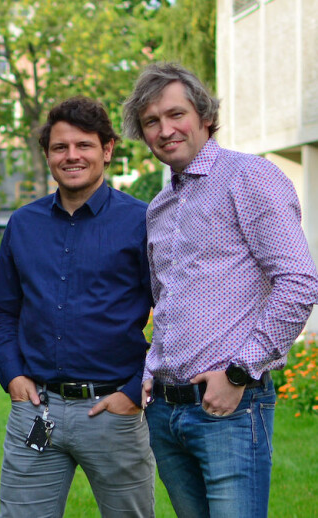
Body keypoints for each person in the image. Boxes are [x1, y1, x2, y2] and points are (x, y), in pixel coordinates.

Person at [123, 62, 318, 517]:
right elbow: (168, 301)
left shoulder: (249, 178)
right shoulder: (159, 206)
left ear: (205, 116)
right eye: (152, 122)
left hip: (230, 408)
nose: (165, 130)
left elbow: (299, 282)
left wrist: (238, 375)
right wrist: (152, 370)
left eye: (176, 114)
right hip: (167, 413)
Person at [0, 96, 155, 517]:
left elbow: (173, 315)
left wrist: (134, 392)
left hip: (114, 411)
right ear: (47, 155)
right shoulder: (23, 224)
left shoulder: (142, 221)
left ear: (108, 149)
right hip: (37, 411)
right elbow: (4, 310)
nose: (72, 156)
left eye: (84, 145)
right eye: (60, 147)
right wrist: (12, 376)